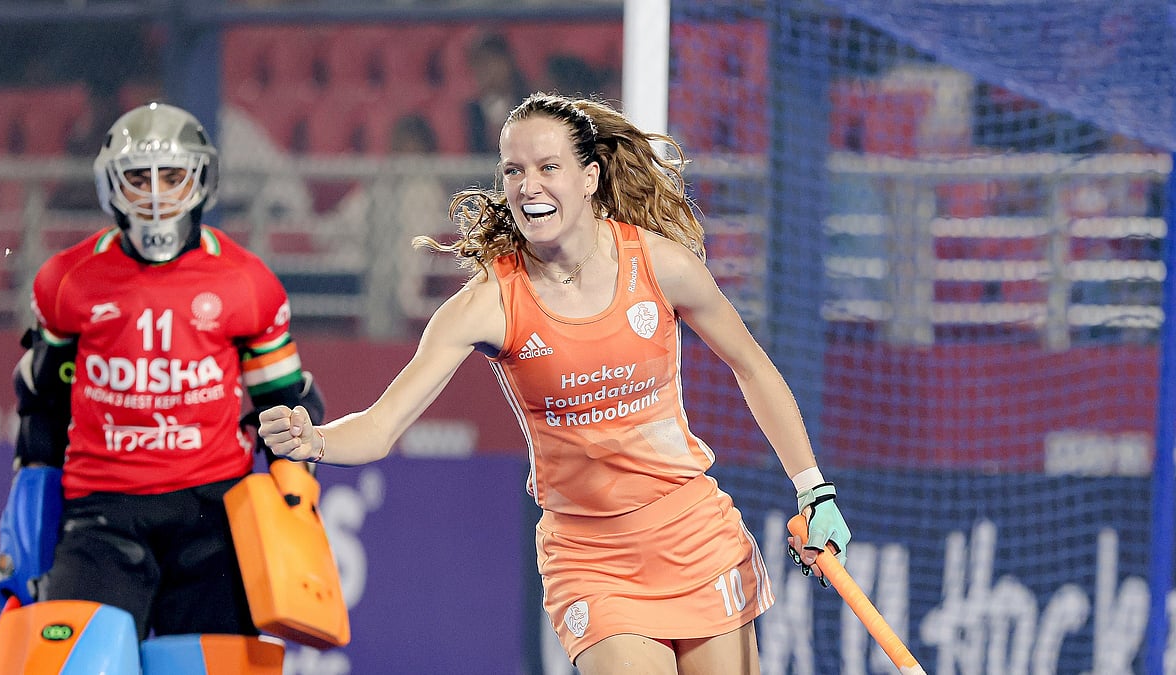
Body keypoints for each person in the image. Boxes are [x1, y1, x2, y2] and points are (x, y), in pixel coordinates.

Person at [257, 92, 849, 674]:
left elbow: (753, 367)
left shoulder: (661, 265)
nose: (528, 185)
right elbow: (383, 425)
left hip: (694, 536)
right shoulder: (487, 304)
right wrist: (319, 441)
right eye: (513, 170)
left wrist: (813, 489)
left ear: (589, 177)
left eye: (548, 167)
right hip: (590, 559)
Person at [0, 102, 324, 642]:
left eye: (171, 176)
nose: (154, 194)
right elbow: (41, 411)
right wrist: (29, 522)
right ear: (111, 186)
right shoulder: (65, 281)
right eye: (137, 177)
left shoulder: (248, 282)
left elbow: (287, 407)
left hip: (214, 519)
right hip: (100, 516)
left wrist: (294, 506)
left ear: (200, 181)